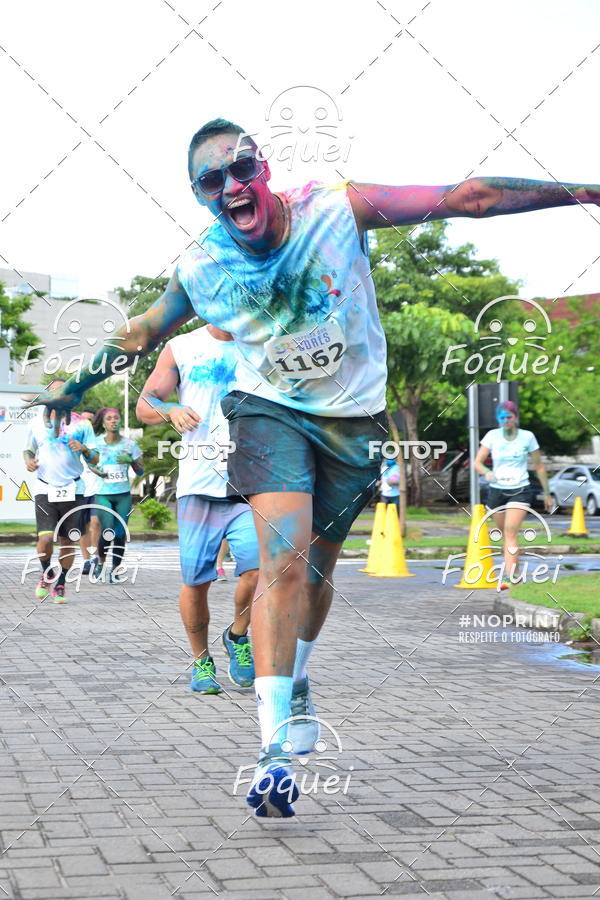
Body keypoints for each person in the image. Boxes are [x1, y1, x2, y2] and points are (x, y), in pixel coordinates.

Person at [28, 117, 600, 817]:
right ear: (200, 195)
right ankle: (273, 751)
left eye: (241, 169)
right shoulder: (203, 267)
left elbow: (469, 198)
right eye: (212, 181)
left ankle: (298, 678)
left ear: (263, 168)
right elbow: (142, 331)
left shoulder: (335, 209)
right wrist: (74, 387)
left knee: (320, 571)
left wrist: (585, 192)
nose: (231, 186)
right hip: (267, 411)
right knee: (284, 564)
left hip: (354, 418)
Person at [136, 324, 259, 694]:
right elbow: (145, 405)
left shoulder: (263, 343)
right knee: (196, 582)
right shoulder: (182, 347)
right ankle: (202, 661)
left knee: (260, 572)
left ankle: (237, 635)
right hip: (198, 486)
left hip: (250, 485)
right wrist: (170, 408)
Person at [23, 379, 98, 604]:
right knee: (45, 539)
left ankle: (61, 583)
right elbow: (28, 450)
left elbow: (95, 458)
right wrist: (29, 461)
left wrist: (84, 449)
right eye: (54, 391)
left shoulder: (82, 424)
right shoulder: (36, 423)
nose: (59, 395)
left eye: (64, 391)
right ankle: (47, 573)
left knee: (68, 541)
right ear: (47, 395)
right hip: (45, 487)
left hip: (74, 489)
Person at [474, 401, 552, 586]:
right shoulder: (492, 436)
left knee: (510, 531)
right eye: (502, 418)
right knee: (505, 534)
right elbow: (477, 462)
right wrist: (487, 472)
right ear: (497, 419)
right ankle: (515, 568)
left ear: (515, 417)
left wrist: (547, 493)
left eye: (509, 417)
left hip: (520, 489)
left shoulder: (527, 437)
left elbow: (539, 466)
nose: (505, 421)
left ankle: (510, 577)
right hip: (497, 490)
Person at [92, 408, 144, 584]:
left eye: (116, 418)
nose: (113, 421)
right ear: (103, 423)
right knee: (108, 530)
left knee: (120, 533)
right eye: (109, 418)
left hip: (123, 495)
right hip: (103, 494)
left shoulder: (130, 445)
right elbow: (90, 463)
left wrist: (132, 461)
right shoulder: (96, 443)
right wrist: (97, 471)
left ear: (120, 421)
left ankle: (115, 570)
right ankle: (100, 562)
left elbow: (141, 470)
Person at [78, 407, 101, 575]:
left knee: (95, 522)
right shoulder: (72, 440)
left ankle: (96, 557)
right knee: (81, 526)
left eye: (89, 420)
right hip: (78, 489)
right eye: (83, 419)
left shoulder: (99, 442)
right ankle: (86, 560)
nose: (86, 422)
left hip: (96, 488)